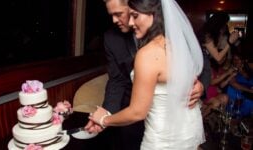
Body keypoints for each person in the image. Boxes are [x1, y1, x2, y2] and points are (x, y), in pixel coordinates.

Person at [86, 0, 205, 149]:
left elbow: (198, 67)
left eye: (120, 14)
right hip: (140, 122)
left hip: (167, 129)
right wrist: (105, 115)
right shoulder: (112, 38)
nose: (117, 20)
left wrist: (198, 85)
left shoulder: (172, 36)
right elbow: (116, 81)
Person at [198, 12, 239, 98]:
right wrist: (229, 42)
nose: (225, 27)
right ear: (219, 24)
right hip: (201, 70)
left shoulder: (211, 35)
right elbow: (218, 58)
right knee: (201, 95)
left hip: (204, 69)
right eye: (224, 24)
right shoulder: (206, 35)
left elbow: (219, 60)